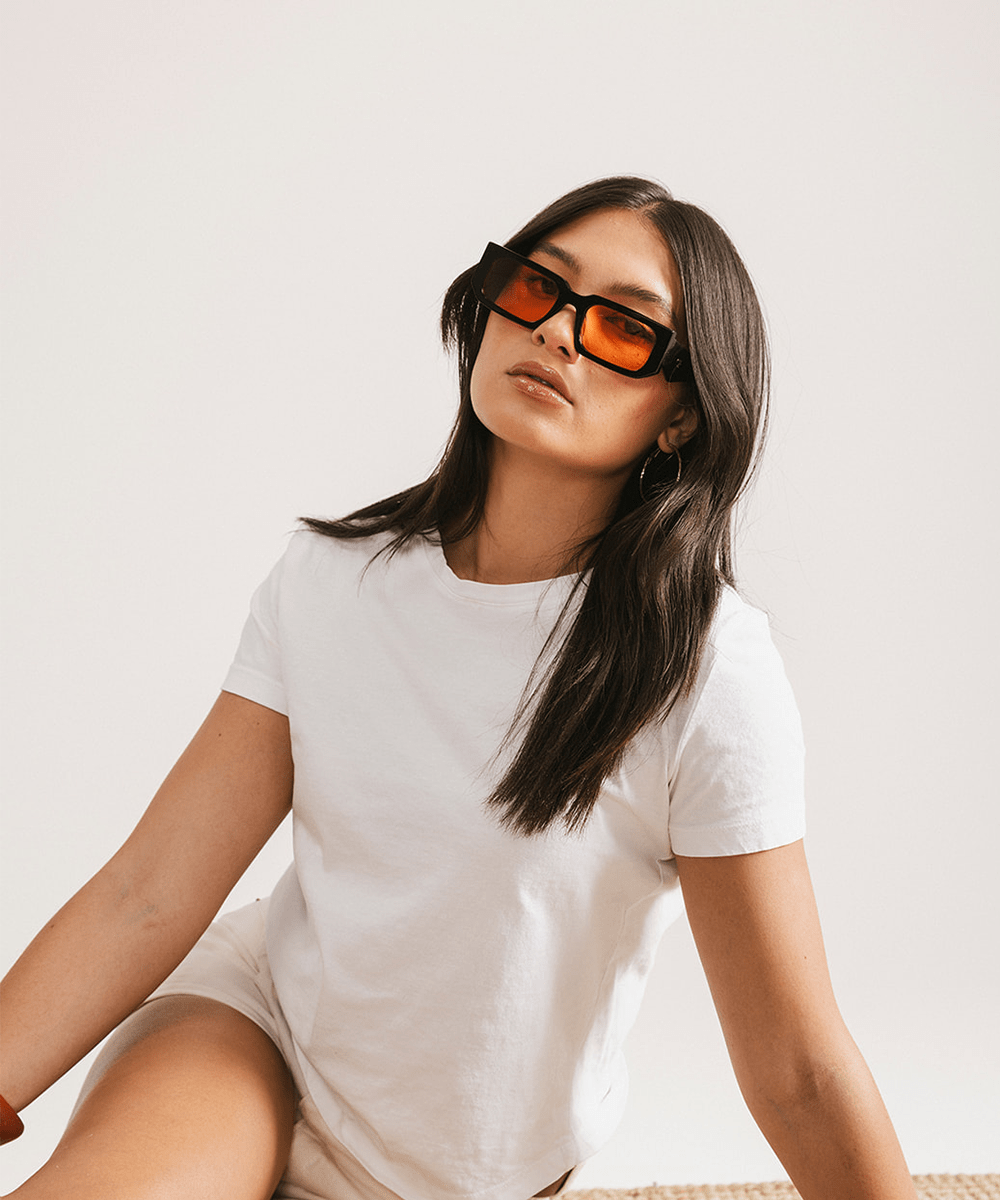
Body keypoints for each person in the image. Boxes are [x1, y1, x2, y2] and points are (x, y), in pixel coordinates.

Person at [0, 176, 918, 1200]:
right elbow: (146, 893)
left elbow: (794, 1067)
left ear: (680, 418)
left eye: (623, 327)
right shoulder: (330, 581)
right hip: (249, 1035)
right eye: (539, 287)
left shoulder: (701, 670)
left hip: (452, 1174)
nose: (561, 334)